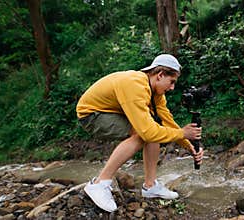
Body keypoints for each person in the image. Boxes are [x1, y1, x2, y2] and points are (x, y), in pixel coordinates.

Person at [76, 54, 204, 212]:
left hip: (111, 111)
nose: (172, 88)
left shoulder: (155, 93)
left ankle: (150, 186)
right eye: (171, 82)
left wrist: (189, 146)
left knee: (153, 127)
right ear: (160, 75)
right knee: (142, 134)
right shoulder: (135, 85)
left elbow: (167, 121)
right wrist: (183, 134)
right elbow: (148, 133)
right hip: (91, 115)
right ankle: (99, 184)